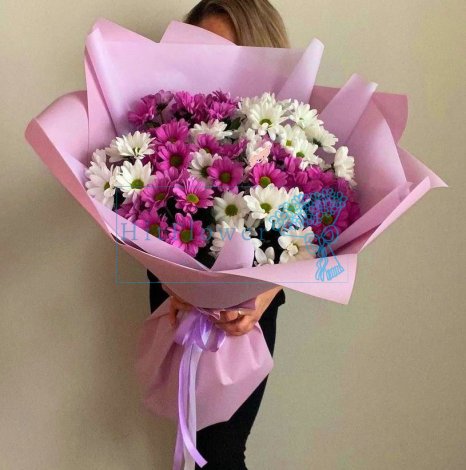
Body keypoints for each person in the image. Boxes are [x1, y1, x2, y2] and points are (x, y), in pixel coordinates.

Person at [147, 1, 289, 468]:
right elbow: (137, 215)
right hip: (175, 292)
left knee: (220, 452)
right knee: (196, 441)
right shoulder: (165, 129)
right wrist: (172, 281)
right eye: (202, 50)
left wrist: (264, 294)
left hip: (249, 301)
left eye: (230, 53)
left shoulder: (287, 137)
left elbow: (304, 234)